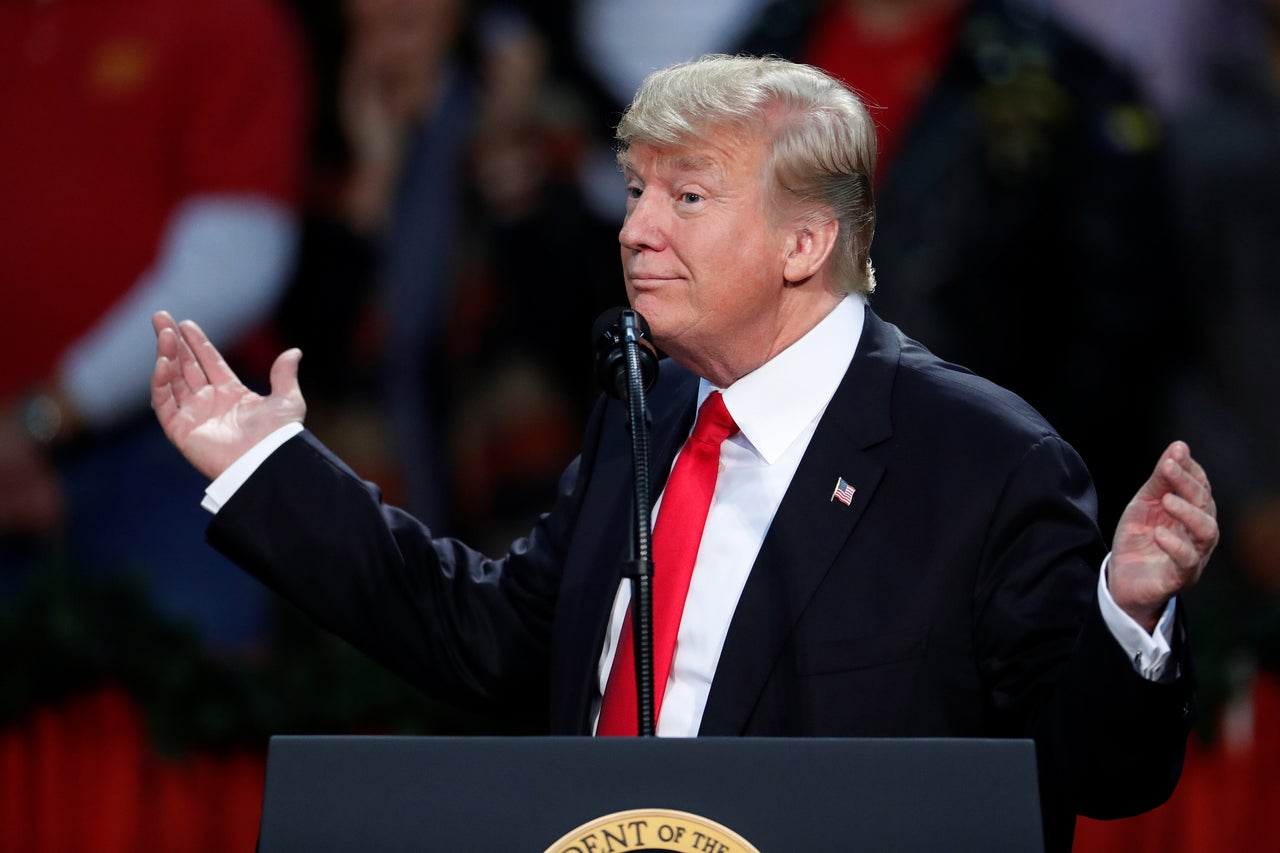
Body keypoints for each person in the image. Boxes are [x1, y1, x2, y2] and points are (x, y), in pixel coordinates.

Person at [150, 55, 1218, 853]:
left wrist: (1121, 614)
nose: (634, 230)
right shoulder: (650, 414)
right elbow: (488, 637)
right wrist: (265, 466)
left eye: (685, 197)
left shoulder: (982, 459)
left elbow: (1099, 773)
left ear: (805, 242)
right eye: (633, 193)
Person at [0, 0, 308, 651]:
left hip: (175, 443)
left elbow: (235, 260)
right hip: (12, 455)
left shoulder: (221, 17)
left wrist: (40, 418)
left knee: (188, 694)